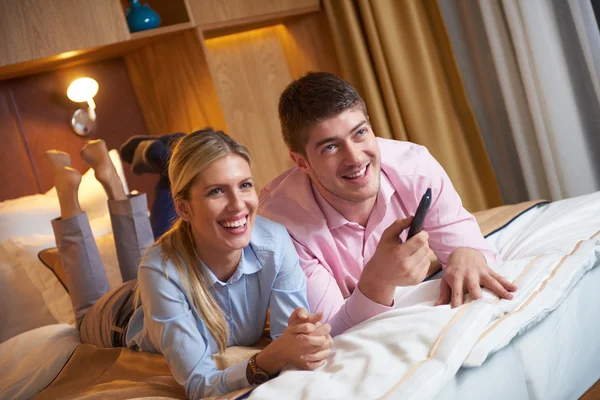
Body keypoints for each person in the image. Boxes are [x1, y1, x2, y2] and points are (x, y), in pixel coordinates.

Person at [45, 131, 333, 399]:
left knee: (149, 261)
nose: (238, 204)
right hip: (118, 316)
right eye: (216, 191)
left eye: (244, 185)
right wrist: (272, 356)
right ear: (183, 208)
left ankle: (111, 178)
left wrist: (302, 339)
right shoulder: (160, 270)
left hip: (158, 288)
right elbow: (198, 384)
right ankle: (68, 193)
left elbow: (288, 342)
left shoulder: (275, 241)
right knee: (86, 312)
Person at [258, 72, 518, 337]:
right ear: (301, 162)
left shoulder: (415, 167)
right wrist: (379, 280)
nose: (356, 158)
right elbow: (327, 334)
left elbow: (475, 253)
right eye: (330, 148)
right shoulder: (279, 225)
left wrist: (466, 253)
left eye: (360, 133)